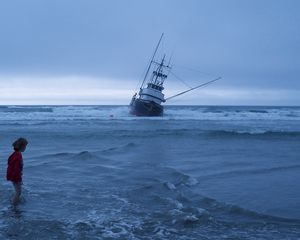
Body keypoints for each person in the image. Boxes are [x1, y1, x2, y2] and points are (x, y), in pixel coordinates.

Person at [6, 137, 28, 205]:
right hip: (15, 176)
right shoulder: (18, 156)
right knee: (18, 192)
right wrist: (19, 178)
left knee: (17, 191)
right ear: (22, 146)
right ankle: (13, 206)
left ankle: (14, 201)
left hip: (12, 175)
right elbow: (16, 168)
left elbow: (9, 164)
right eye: (25, 146)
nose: (25, 148)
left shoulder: (14, 154)